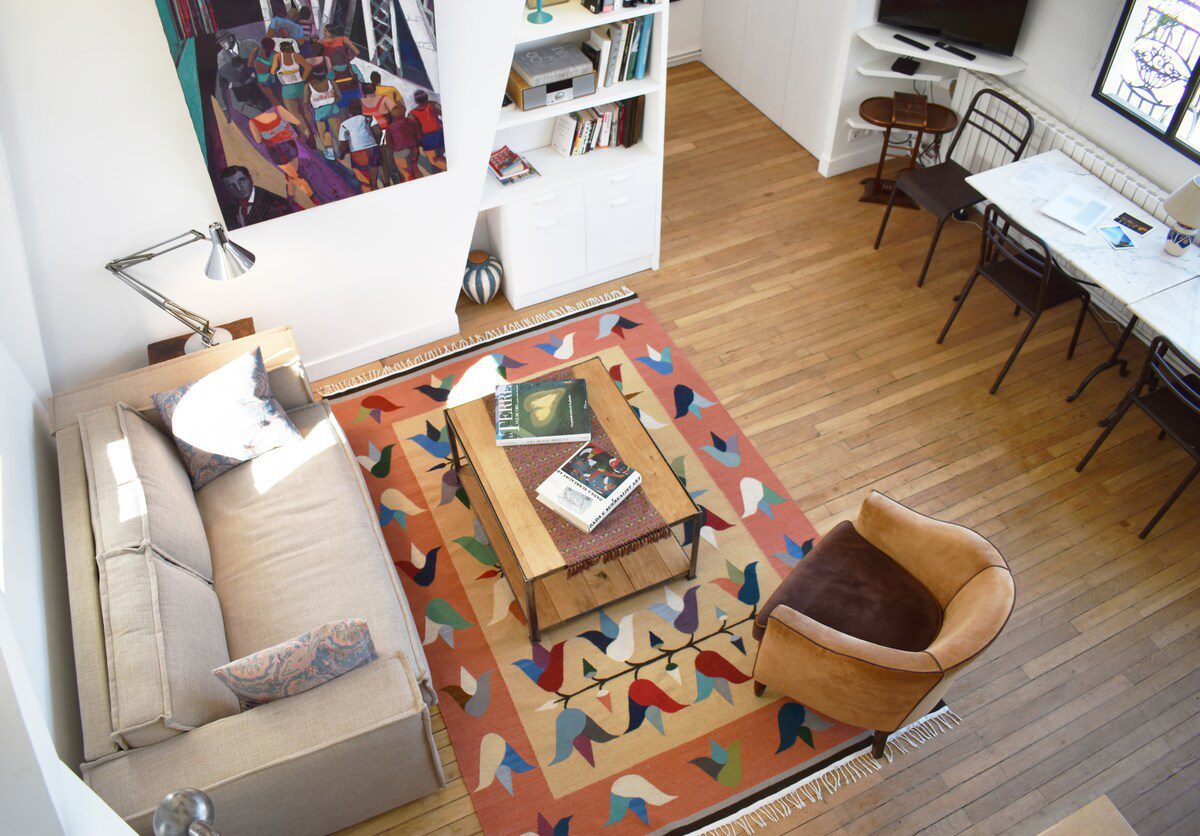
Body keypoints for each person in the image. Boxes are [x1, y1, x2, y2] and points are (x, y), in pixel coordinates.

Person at [248, 105, 316, 203]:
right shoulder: (277, 109)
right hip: (290, 145)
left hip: (276, 151)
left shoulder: (253, 122)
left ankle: (313, 200)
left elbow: (258, 140)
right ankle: (290, 195)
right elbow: (296, 122)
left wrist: (269, 133)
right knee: (292, 174)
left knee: (294, 176)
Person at [219, 165, 291, 227]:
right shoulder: (227, 209)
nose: (239, 188)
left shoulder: (275, 203)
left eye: (242, 181)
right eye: (232, 186)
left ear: (250, 178)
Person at [215, 30, 263, 121]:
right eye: (220, 43)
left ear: (230, 38)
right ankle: (261, 118)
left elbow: (263, 61)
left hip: (258, 81)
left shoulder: (250, 44)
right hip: (239, 86)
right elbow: (222, 78)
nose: (222, 45)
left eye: (223, 42)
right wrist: (224, 108)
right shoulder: (221, 56)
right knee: (238, 104)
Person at [270, 40, 313, 141]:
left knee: (295, 113)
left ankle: (305, 131)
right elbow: (308, 67)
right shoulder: (296, 56)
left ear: (280, 49)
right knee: (305, 109)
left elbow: (273, 70)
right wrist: (303, 79)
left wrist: (273, 72)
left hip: (288, 88)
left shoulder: (278, 57)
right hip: (300, 86)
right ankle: (312, 129)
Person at [338, 98, 383, 191]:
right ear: (361, 108)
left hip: (357, 153)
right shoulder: (369, 118)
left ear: (349, 111)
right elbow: (378, 132)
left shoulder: (345, 124)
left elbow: (343, 143)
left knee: (365, 184)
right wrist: (376, 143)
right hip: (373, 150)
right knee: (373, 181)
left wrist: (343, 153)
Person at [359, 82, 398, 184]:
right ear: (374, 89)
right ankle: (396, 180)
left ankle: (386, 183)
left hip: (370, 134)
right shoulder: (383, 99)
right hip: (385, 131)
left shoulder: (360, 103)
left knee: (380, 159)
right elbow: (395, 112)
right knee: (389, 157)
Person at [306, 66, 341, 160]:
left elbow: (306, 101)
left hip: (319, 112)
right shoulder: (331, 82)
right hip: (333, 109)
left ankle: (330, 153)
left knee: (323, 133)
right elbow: (339, 96)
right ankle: (341, 148)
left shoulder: (309, 86)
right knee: (337, 131)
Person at [385, 102, 423, 182]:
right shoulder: (411, 122)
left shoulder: (390, 127)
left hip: (400, 151)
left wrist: (395, 148)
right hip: (413, 149)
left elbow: (389, 143)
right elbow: (418, 134)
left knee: (407, 175)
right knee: (415, 170)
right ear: (404, 112)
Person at [410, 89, 446, 172]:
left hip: (427, 138)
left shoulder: (412, 113)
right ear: (426, 97)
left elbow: (414, 129)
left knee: (434, 160)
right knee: (440, 156)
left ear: (416, 101)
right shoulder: (432, 104)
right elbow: (444, 113)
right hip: (440, 133)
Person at [246, 37, 282, 109]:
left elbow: (249, 65)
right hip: (273, 78)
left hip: (261, 79)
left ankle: (283, 116)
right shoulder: (275, 54)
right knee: (280, 97)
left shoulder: (256, 51)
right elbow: (279, 66)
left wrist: (257, 66)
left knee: (273, 100)